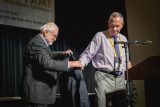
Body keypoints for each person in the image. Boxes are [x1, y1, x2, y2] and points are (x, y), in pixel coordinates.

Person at [22, 22, 83, 107]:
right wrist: (72, 64)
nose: (55, 39)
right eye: (54, 36)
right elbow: (47, 63)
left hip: (39, 93)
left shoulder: (40, 42)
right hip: (36, 95)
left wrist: (62, 53)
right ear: (46, 32)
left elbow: (48, 54)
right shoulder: (37, 43)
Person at [78, 12, 132, 107]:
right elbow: (88, 53)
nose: (114, 29)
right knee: (101, 104)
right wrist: (81, 63)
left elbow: (125, 59)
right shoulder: (100, 36)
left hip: (119, 78)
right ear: (108, 24)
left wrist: (128, 65)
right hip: (103, 77)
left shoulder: (123, 38)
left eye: (117, 26)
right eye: (112, 26)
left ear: (122, 25)